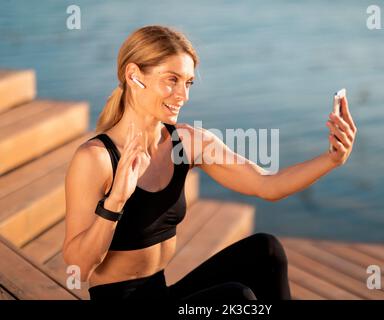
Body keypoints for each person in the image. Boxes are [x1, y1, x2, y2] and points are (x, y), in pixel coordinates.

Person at [63, 25, 357, 301]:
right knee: (234, 297)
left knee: (266, 251)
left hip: (161, 293)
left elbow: (267, 185)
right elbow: (79, 266)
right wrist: (116, 200)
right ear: (133, 75)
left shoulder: (187, 142)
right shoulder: (97, 158)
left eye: (188, 83)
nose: (183, 95)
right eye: (172, 80)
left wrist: (332, 158)